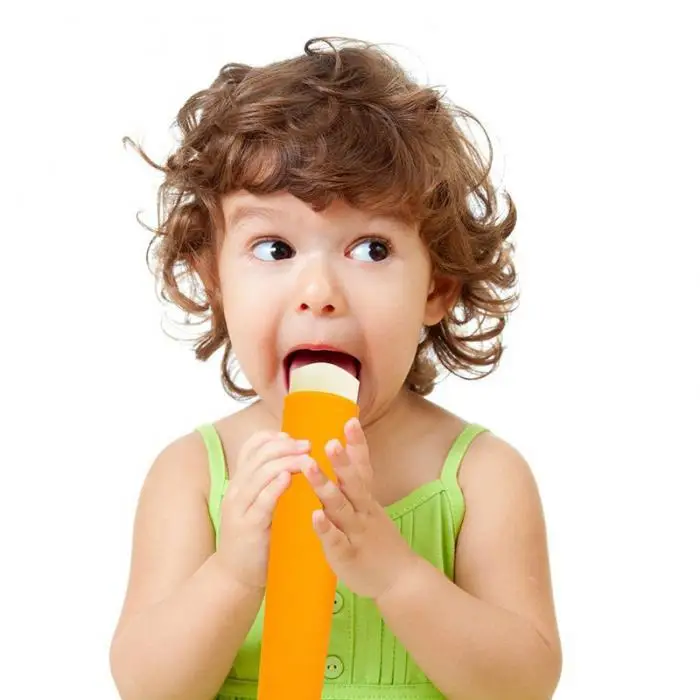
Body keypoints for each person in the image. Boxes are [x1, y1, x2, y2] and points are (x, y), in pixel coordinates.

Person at [110, 37, 562, 700]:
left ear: (437, 287)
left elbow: (524, 684)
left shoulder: (481, 477)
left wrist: (395, 573)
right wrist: (233, 574)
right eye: (274, 248)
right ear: (214, 279)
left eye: (371, 248)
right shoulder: (192, 475)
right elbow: (146, 686)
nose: (318, 291)